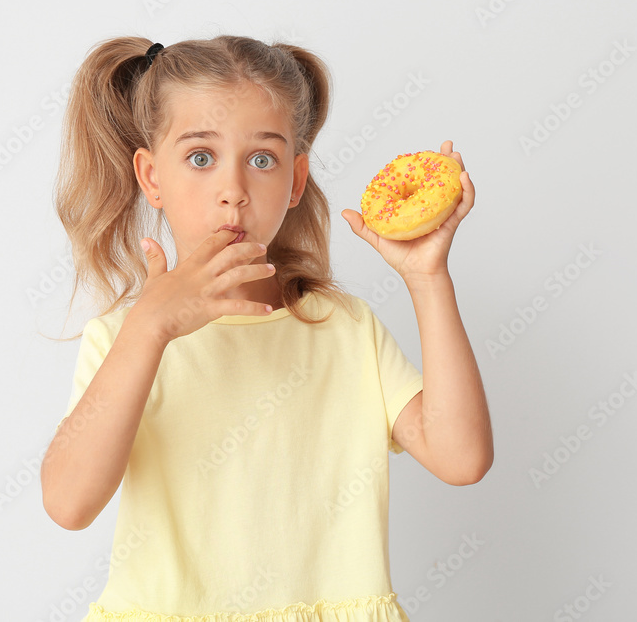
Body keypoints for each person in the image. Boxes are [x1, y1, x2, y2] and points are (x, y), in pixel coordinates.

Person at [40, 35, 493, 622]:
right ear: (152, 176)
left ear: (296, 180)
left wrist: (428, 279)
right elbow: (68, 504)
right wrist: (149, 329)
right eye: (200, 157)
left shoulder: (345, 330)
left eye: (262, 159)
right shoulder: (125, 338)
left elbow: (462, 459)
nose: (234, 190)